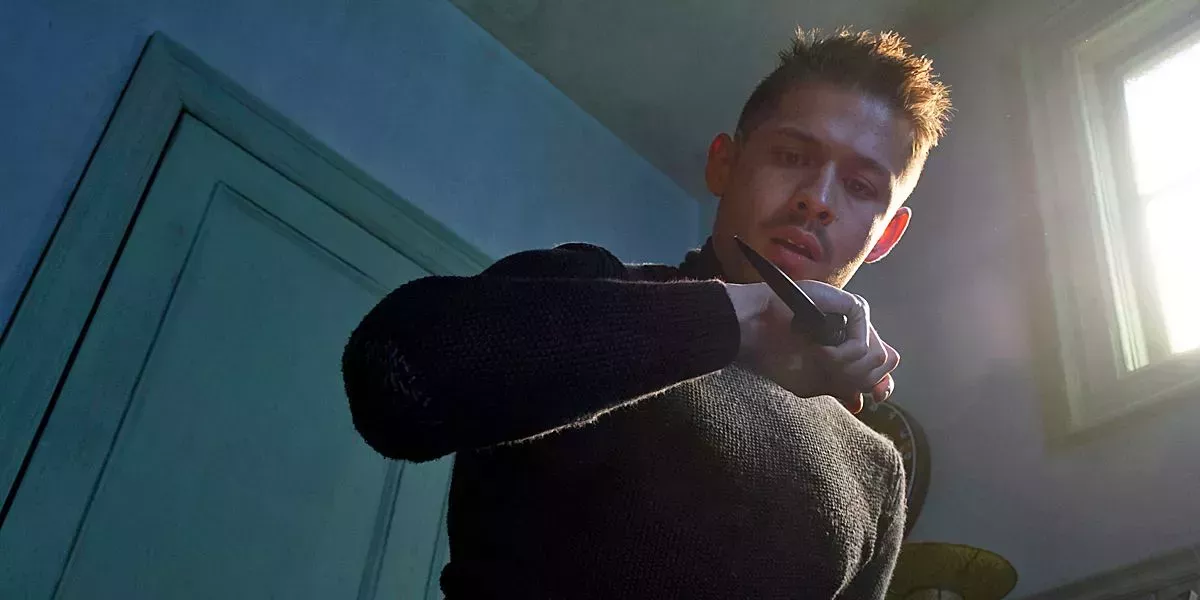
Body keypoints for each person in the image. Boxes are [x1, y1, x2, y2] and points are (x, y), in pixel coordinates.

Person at [342, 27, 951, 599]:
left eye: (860, 187)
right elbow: (394, 378)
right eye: (792, 156)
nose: (816, 199)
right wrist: (741, 318)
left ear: (887, 235)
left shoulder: (876, 470)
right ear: (724, 163)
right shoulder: (585, 288)